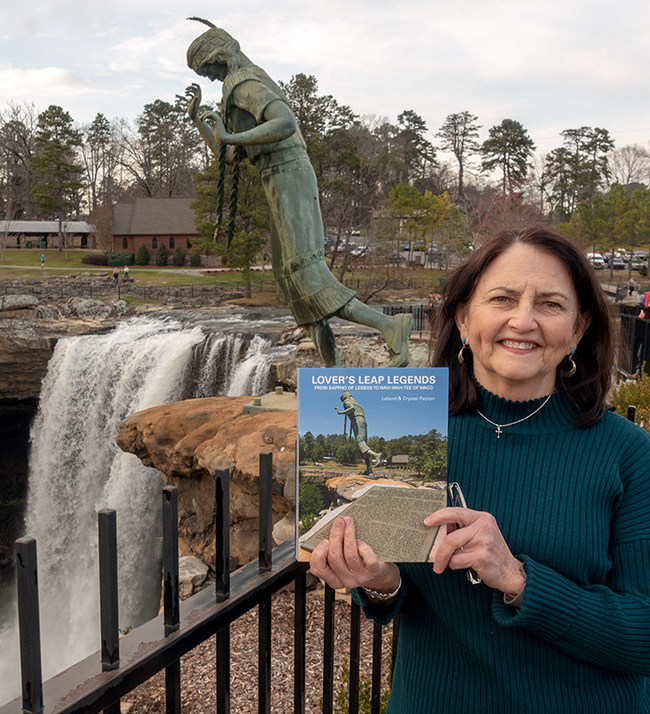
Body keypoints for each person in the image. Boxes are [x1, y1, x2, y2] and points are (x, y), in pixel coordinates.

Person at [311, 226, 650, 713]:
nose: (524, 320)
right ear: (465, 319)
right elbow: (402, 596)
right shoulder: (416, 432)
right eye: (502, 298)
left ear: (578, 330)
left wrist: (518, 578)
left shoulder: (627, 453)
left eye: (551, 305)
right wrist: (378, 580)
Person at [185, 20, 411, 368]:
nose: (212, 78)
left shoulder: (242, 81)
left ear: (220, 55)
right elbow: (230, 156)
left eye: (210, 70)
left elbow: (284, 123)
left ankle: (391, 325)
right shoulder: (241, 83)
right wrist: (201, 123)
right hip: (276, 179)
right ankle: (332, 372)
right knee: (293, 281)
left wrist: (229, 136)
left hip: (288, 175)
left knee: (307, 273)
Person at [335, 392, 383, 476]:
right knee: (363, 446)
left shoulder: (347, 401)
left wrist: (340, 412)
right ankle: (369, 469)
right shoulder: (356, 402)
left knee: (360, 443)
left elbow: (352, 409)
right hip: (363, 421)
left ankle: (376, 455)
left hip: (357, 421)